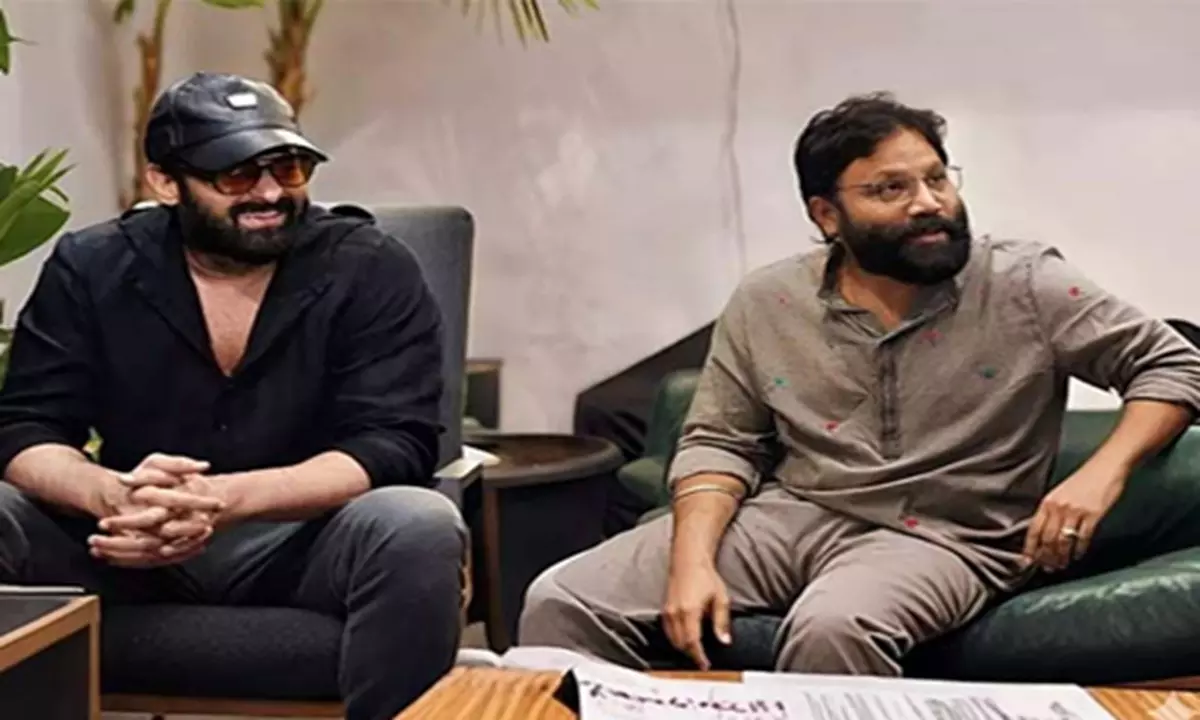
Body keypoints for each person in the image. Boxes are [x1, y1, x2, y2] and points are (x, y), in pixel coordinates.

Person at [518, 92, 1200, 675]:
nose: (928, 204)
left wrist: (1101, 473)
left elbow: (1174, 363)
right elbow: (719, 441)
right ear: (826, 215)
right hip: (791, 516)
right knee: (562, 599)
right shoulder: (768, 300)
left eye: (937, 179)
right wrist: (692, 562)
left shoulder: (1024, 283)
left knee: (833, 630)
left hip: (945, 535)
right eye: (889, 189)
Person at [0, 71, 466, 719]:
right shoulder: (92, 265)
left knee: (416, 524)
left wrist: (221, 500)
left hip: (303, 542)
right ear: (165, 183)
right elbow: (26, 426)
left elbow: (394, 443)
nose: (270, 192)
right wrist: (111, 496)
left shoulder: (368, 266)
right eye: (236, 174)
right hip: (125, 540)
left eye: (289, 168)